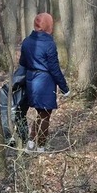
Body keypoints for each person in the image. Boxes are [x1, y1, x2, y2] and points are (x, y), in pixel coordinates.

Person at [18, 12, 69, 152]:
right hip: (45, 82)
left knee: (41, 113)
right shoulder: (49, 44)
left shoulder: (26, 41)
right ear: (48, 25)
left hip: (31, 80)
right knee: (45, 114)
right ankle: (40, 147)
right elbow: (54, 69)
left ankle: (31, 144)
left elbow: (22, 62)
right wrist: (64, 88)